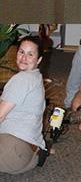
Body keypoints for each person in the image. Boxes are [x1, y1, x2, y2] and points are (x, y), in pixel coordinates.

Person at [0, 36, 48, 174]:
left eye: (30, 54)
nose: (24, 58)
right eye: (21, 52)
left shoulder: (23, 79)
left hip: (15, 151)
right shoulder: (35, 77)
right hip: (28, 154)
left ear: (38, 60)